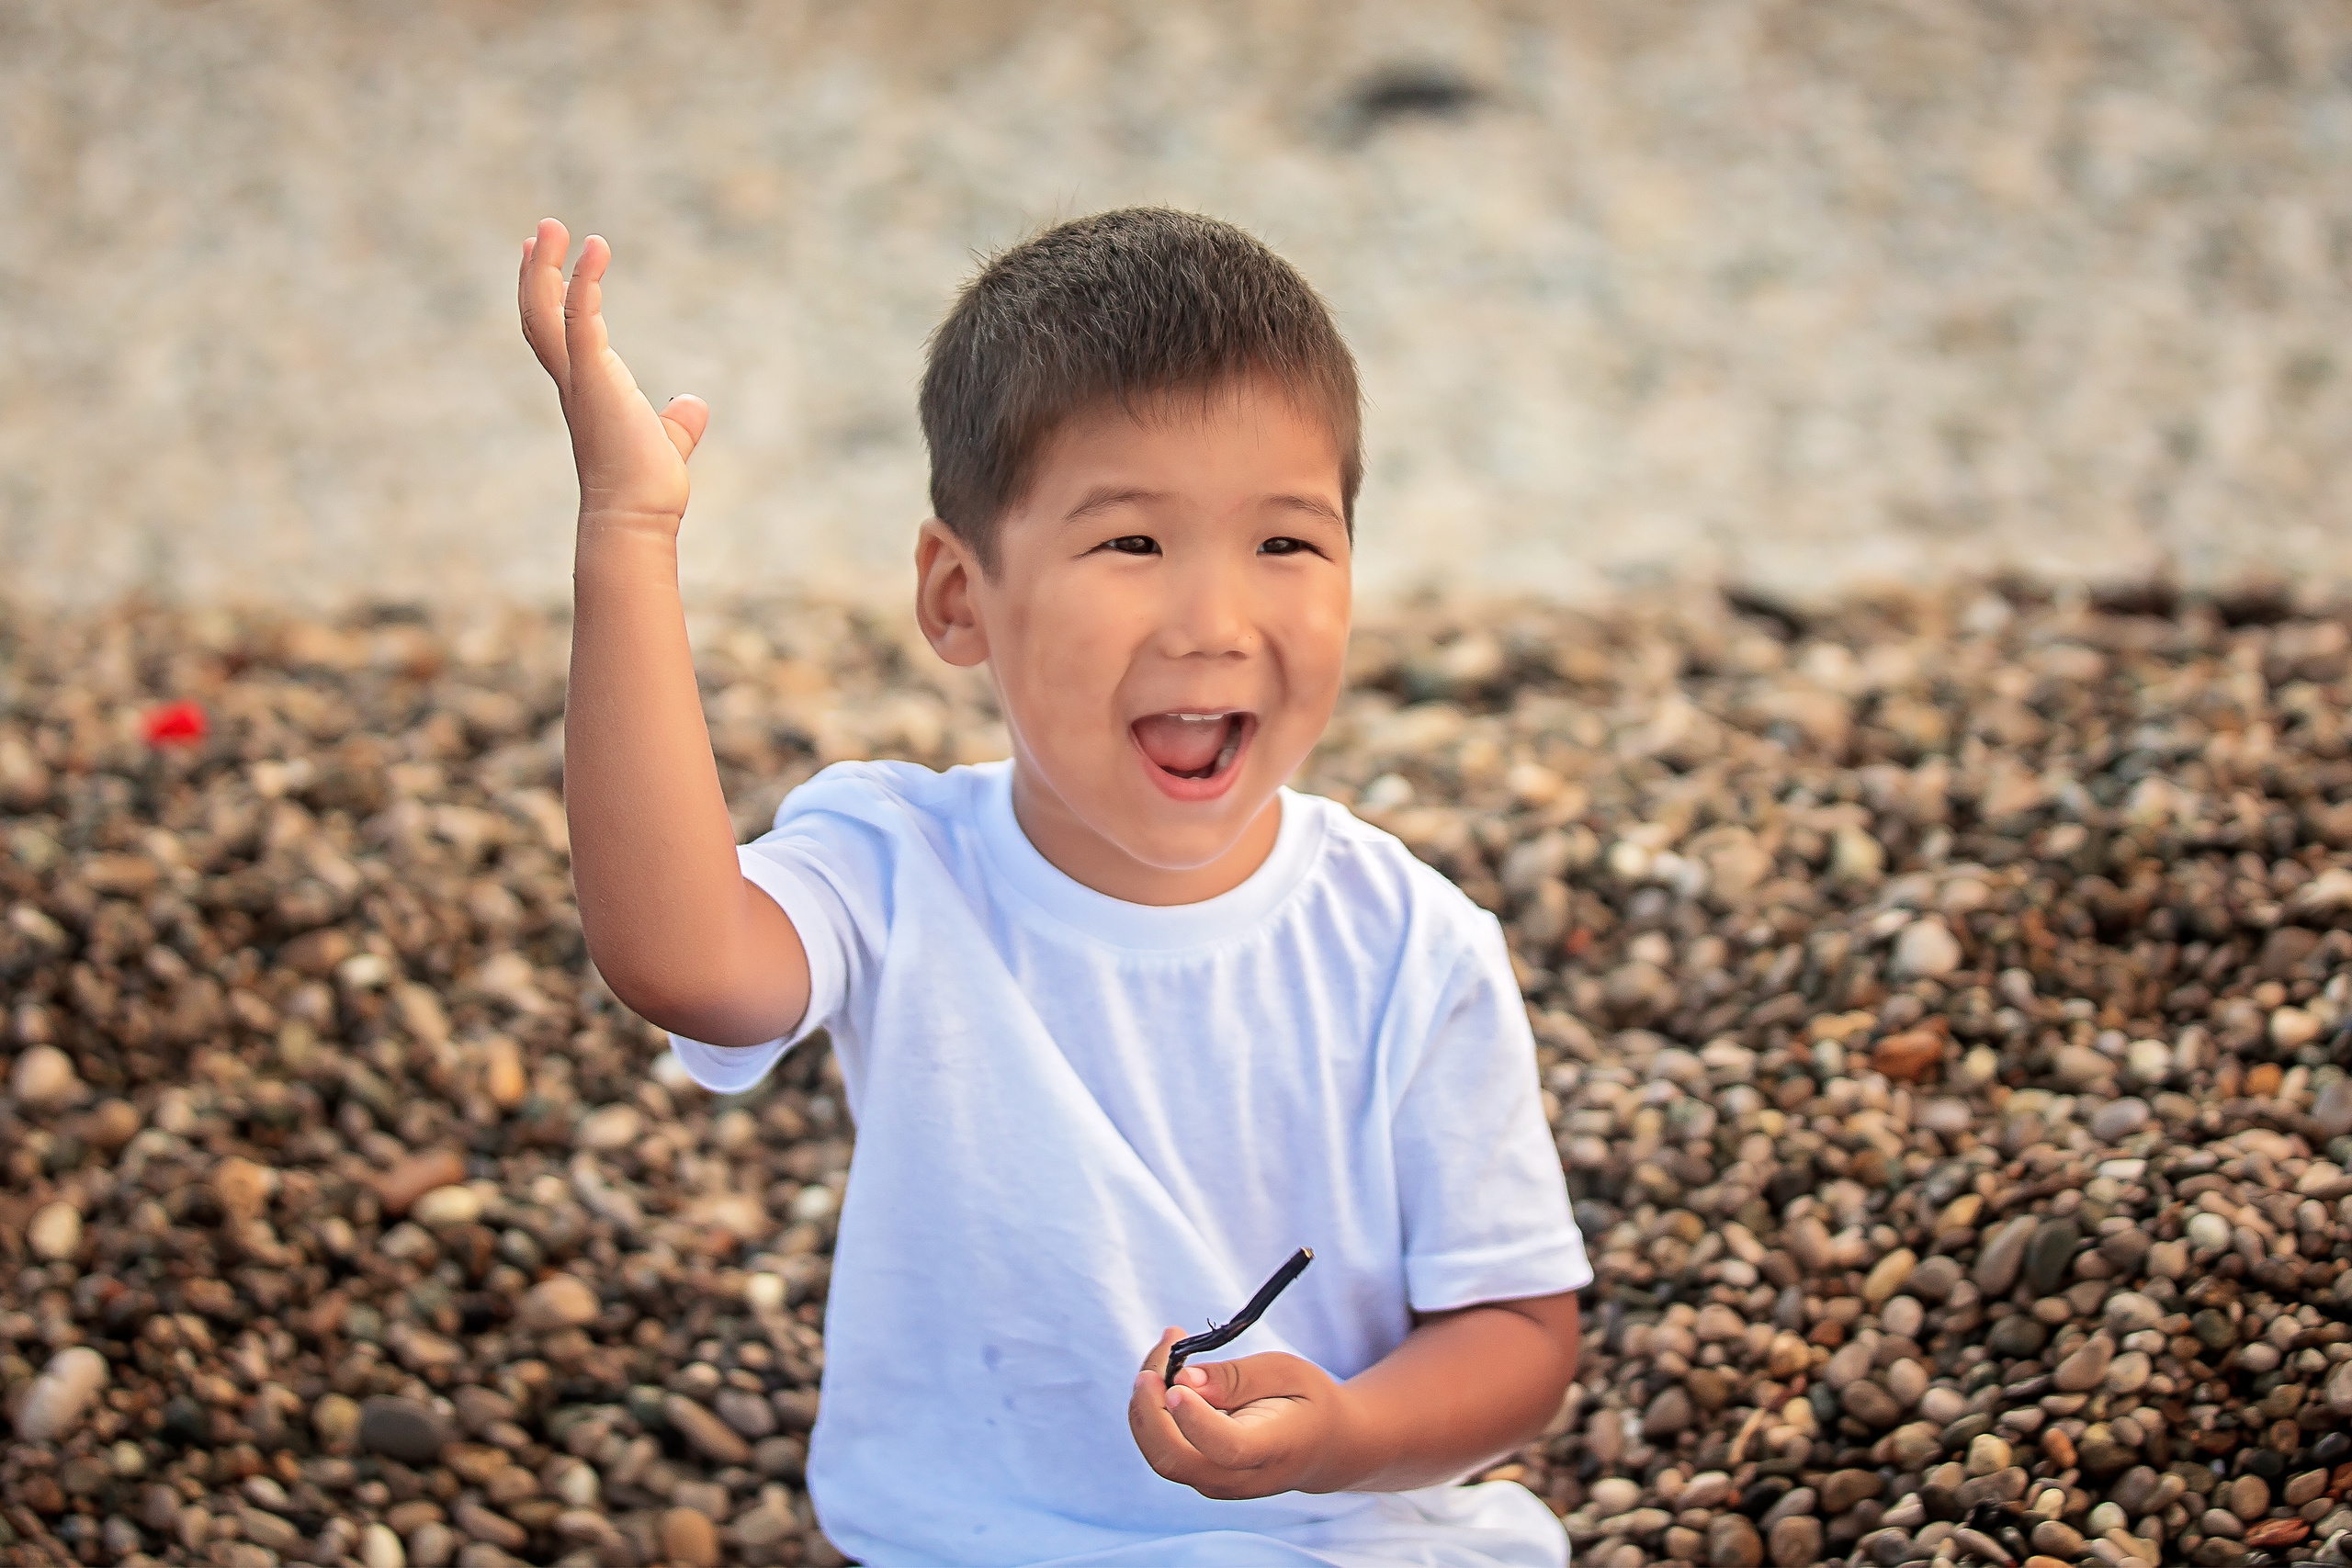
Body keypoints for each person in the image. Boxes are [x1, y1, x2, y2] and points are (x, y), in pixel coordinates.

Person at [518, 206, 1591, 1567]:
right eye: (1132, 545)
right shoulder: (898, 867)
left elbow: (1516, 1336)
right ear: (960, 597)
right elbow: (682, 960)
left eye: (1287, 544)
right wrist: (626, 533)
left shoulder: (1410, 944)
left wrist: (1338, 1436)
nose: (1215, 621)